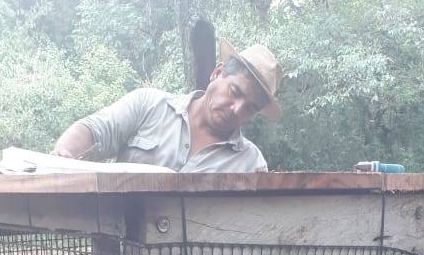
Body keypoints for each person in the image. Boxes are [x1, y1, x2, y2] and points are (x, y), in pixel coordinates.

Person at [53, 39, 282, 172]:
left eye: (250, 108)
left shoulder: (251, 163)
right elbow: (95, 131)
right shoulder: (148, 105)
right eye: (235, 92)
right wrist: (64, 158)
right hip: (119, 242)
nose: (236, 109)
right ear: (217, 72)